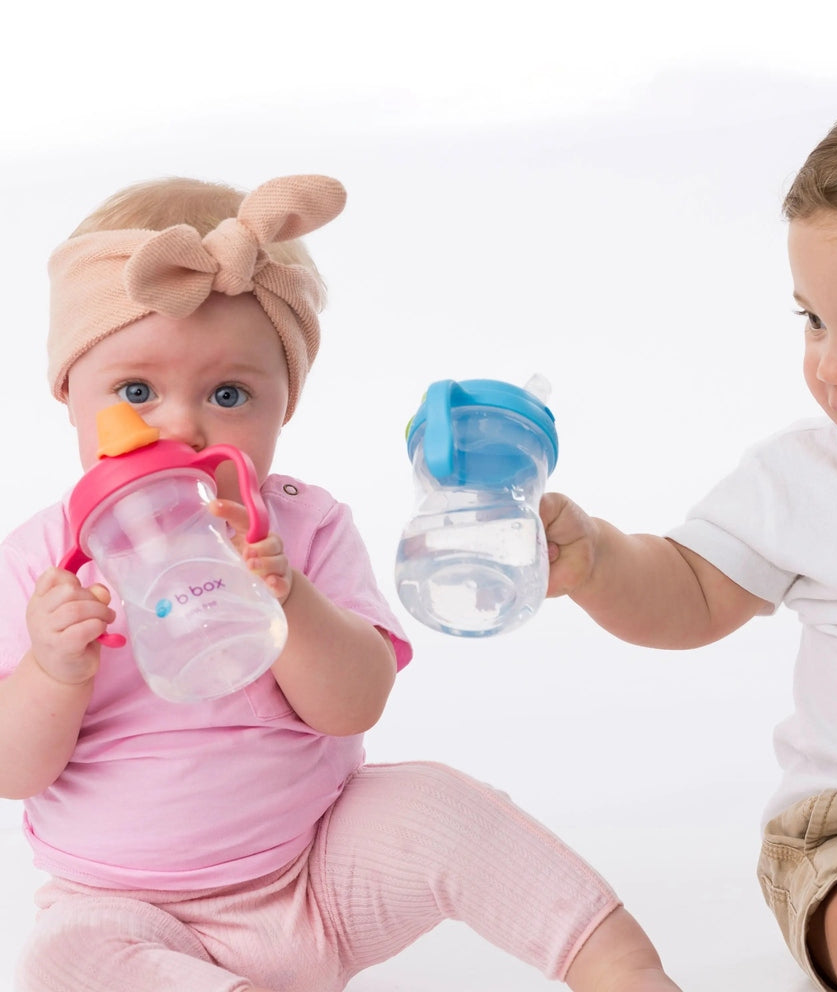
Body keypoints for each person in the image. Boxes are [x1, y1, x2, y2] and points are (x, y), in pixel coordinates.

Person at [0, 173, 681, 992]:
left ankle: (619, 968)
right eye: (136, 392)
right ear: (67, 391)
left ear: (286, 406)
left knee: (436, 804)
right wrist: (53, 668)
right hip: (129, 908)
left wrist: (290, 598)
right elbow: (13, 772)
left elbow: (354, 706)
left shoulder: (307, 526)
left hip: (318, 873)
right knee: (64, 955)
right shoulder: (41, 559)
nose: (179, 425)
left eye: (229, 394)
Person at [541, 78, 837, 992]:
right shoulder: (805, 480)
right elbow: (691, 591)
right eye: (814, 320)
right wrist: (596, 560)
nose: (830, 366)